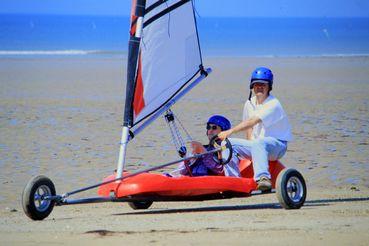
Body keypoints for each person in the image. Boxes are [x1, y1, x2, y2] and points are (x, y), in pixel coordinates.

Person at [217, 67, 292, 191]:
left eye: (263, 84)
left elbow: (253, 121)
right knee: (227, 144)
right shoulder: (249, 103)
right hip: (258, 146)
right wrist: (249, 149)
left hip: (277, 146)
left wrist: (230, 131)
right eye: (256, 84)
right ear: (252, 86)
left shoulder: (273, 104)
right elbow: (249, 128)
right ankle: (234, 182)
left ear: (269, 86)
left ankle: (263, 178)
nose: (259, 87)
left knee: (259, 142)